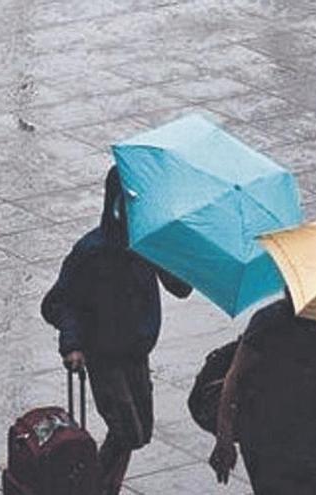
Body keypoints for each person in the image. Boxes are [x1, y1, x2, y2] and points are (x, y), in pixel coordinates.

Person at [42, 166, 192, 495]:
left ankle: (104, 484)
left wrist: (179, 251)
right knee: (126, 430)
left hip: (136, 352)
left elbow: (180, 287)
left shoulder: (148, 245)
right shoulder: (92, 252)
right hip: (103, 355)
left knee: (140, 433)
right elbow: (57, 303)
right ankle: (97, 488)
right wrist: (73, 345)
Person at [209, 293, 316, 495]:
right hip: (295, 443)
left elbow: (235, 377)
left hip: (279, 440)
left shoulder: (270, 319)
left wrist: (225, 437)